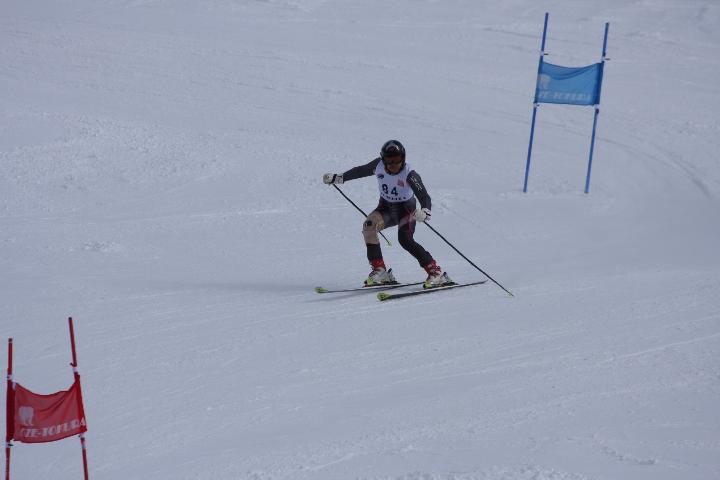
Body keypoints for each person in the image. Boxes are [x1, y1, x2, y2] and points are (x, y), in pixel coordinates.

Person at [323, 139, 452, 288]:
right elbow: (360, 171)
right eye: (390, 160)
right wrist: (339, 178)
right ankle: (380, 270)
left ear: (403, 158)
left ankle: (436, 271)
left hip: (406, 211)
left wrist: (425, 211)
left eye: (397, 159)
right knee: (369, 226)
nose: (394, 164)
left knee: (405, 240)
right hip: (386, 209)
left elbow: (424, 196)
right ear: (383, 159)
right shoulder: (378, 166)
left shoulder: (409, 174)